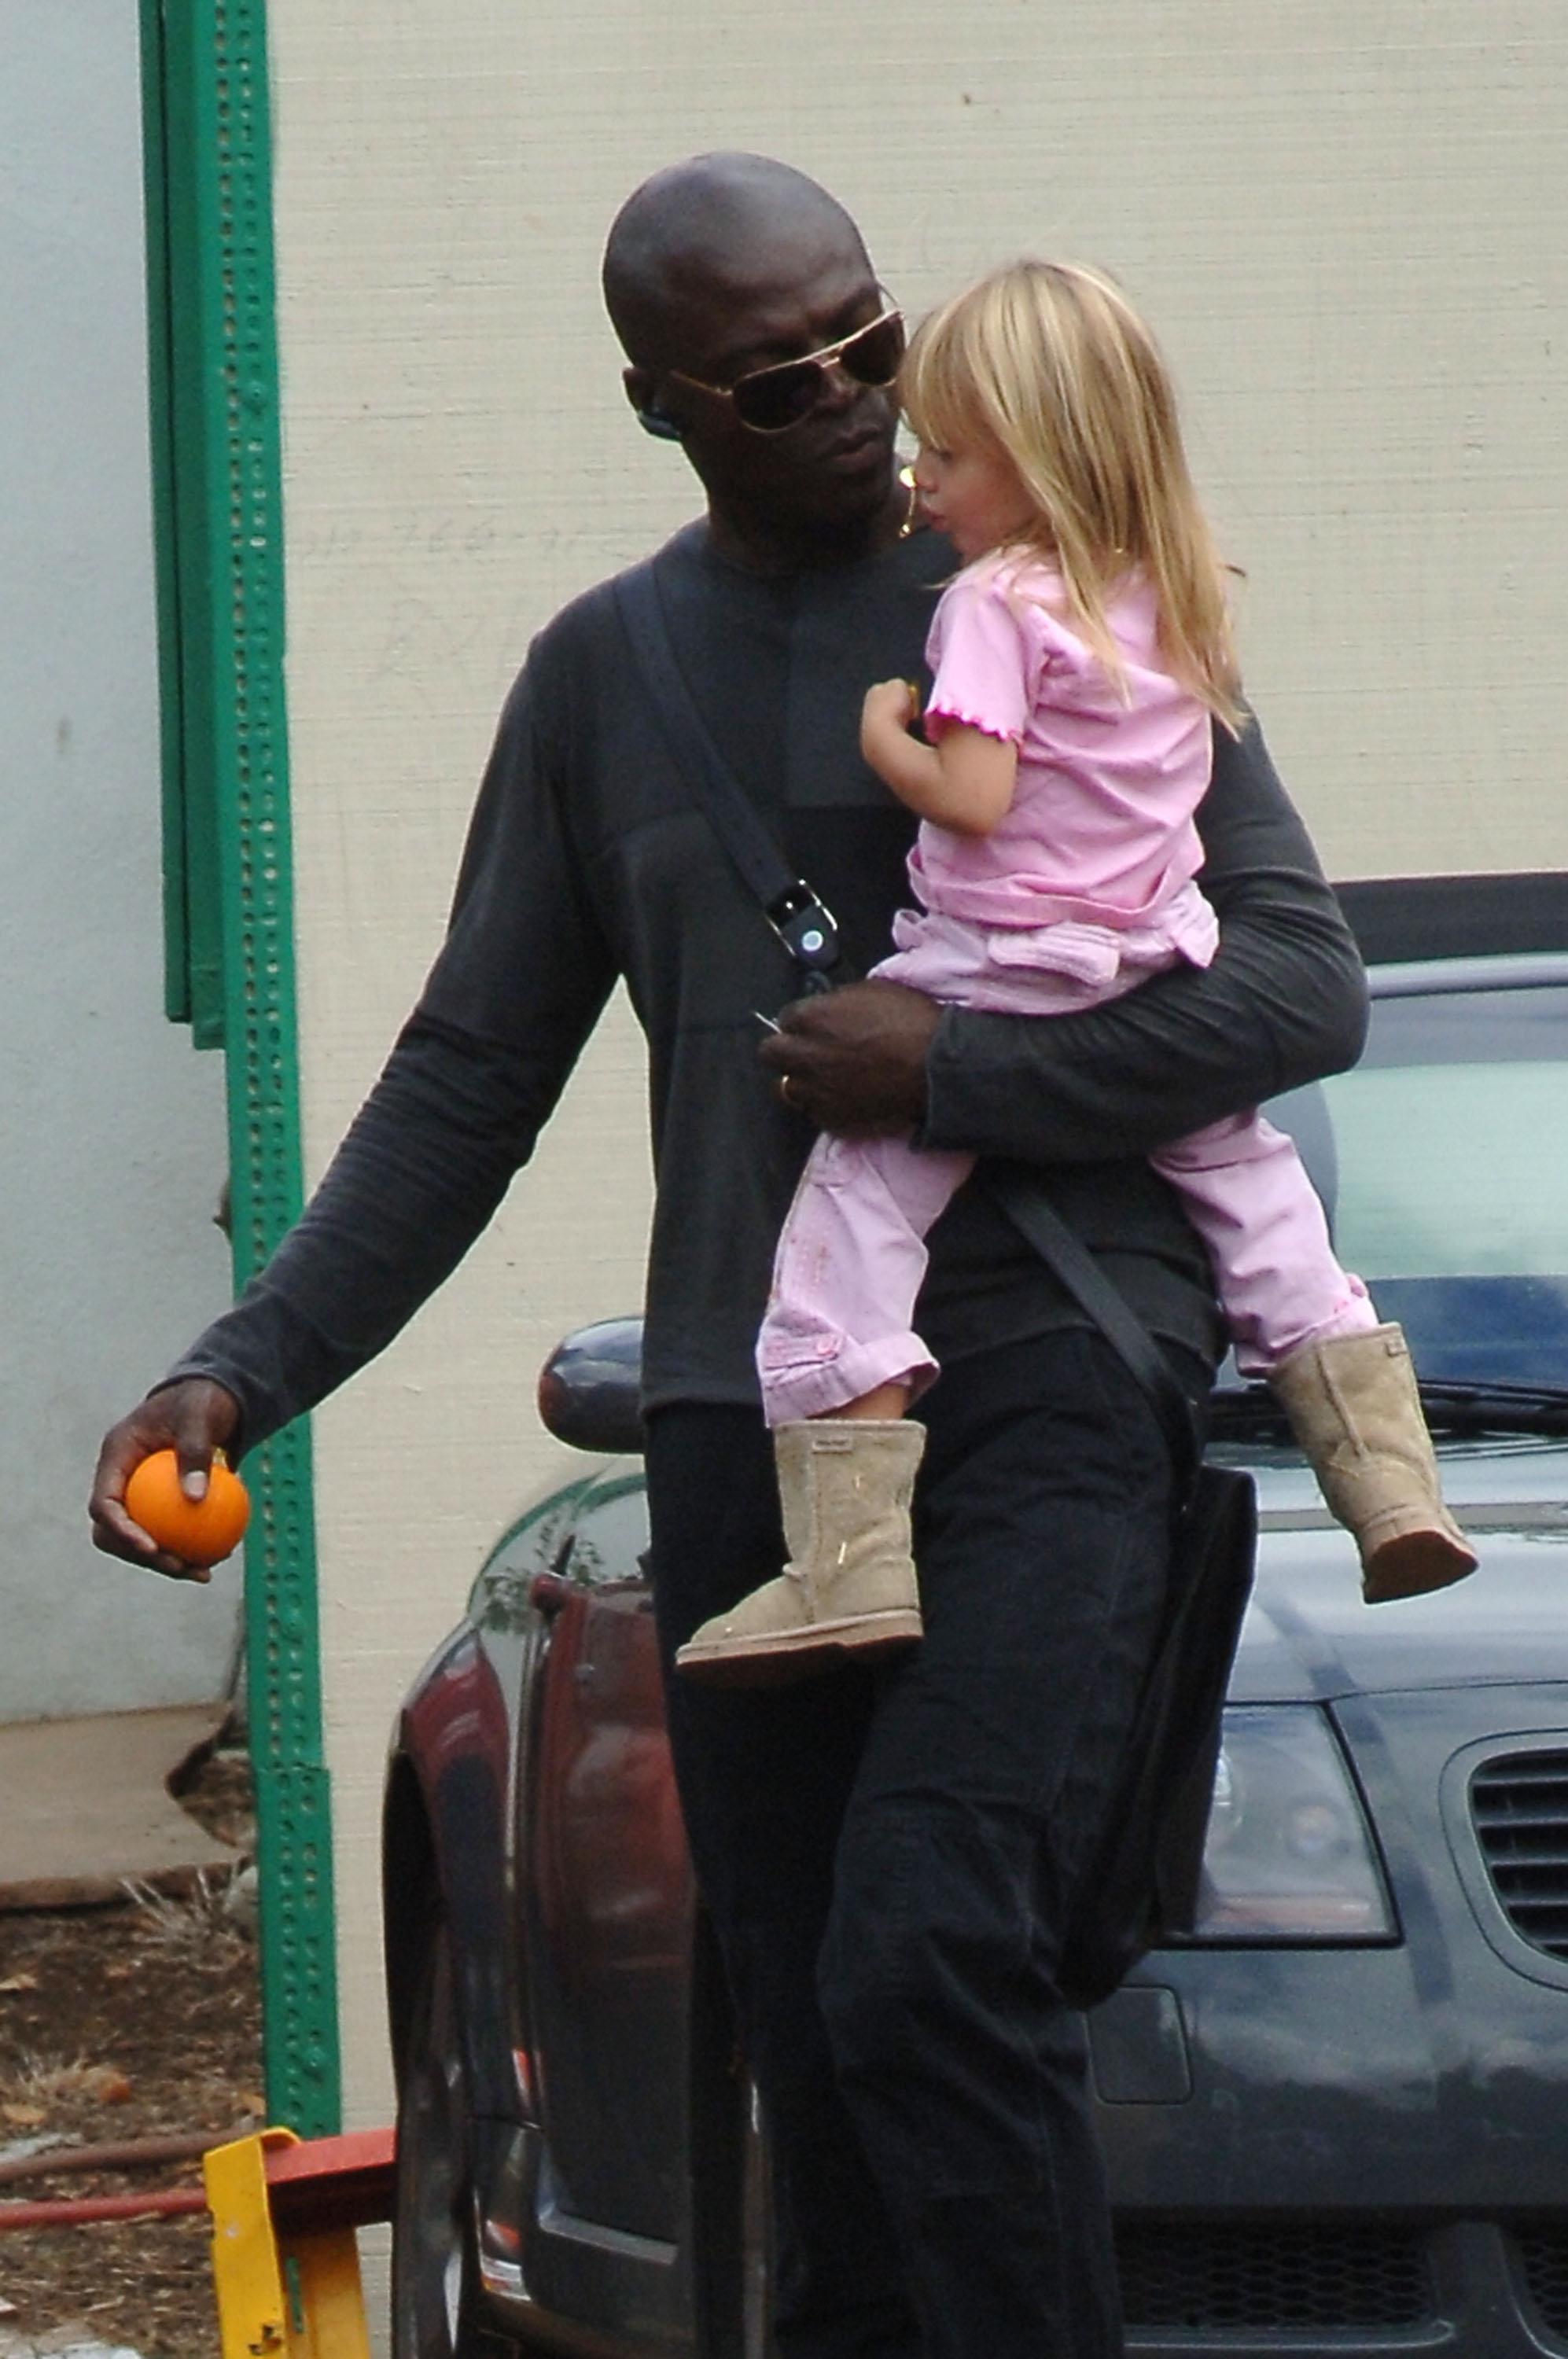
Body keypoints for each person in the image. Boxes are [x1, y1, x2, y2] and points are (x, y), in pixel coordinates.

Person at [91, 155, 1372, 2359]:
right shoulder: (602, 679)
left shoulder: (1060, 600)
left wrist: (950, 1063)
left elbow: (1295, 987)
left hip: (1053, 1380)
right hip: (743, 1421)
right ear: (659, 400)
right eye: (781, 379)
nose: (859, 404)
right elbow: (463, 1082)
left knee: (931, 1954)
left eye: (873, 345)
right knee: (816, 2044)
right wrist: (244, 1369)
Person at [676, 258, 1473, 1686]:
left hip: (999, 967)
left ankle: (846, 1563)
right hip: (1154, 957)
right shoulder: (1169, 595)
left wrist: (881, 740)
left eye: (948, 451)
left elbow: (973, 796)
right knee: (1257, 1201)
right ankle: (1390, 1489)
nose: (918, 480)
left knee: (845, 1236)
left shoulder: (995, 603)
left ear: (1035, 463)